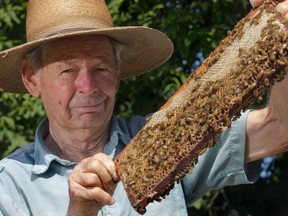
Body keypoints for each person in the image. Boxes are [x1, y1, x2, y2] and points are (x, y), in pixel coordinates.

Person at [0, 0, 288, 215]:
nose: (88, 86)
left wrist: (281, 32)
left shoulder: (164, 138)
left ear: (118, 71)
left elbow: (279, 128)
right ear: (31, 79)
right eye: (67, 71)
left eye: (101, 67)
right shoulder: (8, 185)